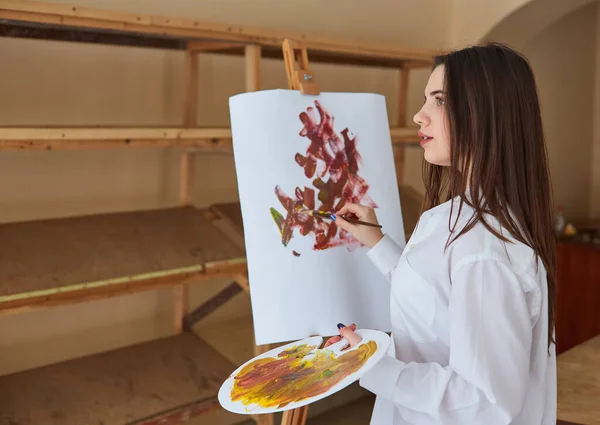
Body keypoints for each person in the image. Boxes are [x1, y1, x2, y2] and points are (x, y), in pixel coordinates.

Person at [326, 43, 557, 425]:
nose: (420, 116)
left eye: (440, 100)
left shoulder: (485, 248)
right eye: (425, 100)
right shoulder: (465, 216)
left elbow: (485, 402)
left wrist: (370, 365)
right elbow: (438, 302)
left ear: (487, 114)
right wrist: (378, 243)